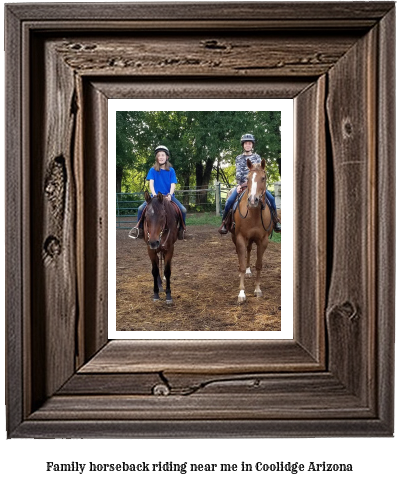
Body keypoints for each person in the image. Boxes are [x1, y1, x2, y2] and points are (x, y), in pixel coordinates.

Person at [218, 133, 281, 234]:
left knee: (272, 199)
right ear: (243, 145)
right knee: (229, 201)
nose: (248, 145)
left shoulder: (257, 157)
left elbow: (261, 172)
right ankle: (225, 223)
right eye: (246, 143)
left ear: (252, 145)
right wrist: (240, 185)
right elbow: (238, 174)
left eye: (250, 143)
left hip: (257, 186)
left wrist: (260, 185)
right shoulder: (239, 158)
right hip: (243, 184)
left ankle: (275, 221)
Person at [130, 145, 186, 239]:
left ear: (167, 157)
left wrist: (170, 195)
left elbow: (173, 184)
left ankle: (182, 230)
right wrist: (154, 194)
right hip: (155, 197)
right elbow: (151, 184)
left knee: (183, 210)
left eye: (163, 155)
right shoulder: (152, 170)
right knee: (140, 209)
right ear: (156, 158)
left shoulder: (171, 170)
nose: (160, 157)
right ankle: (139, 229)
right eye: (159, 155)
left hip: (168, 196)